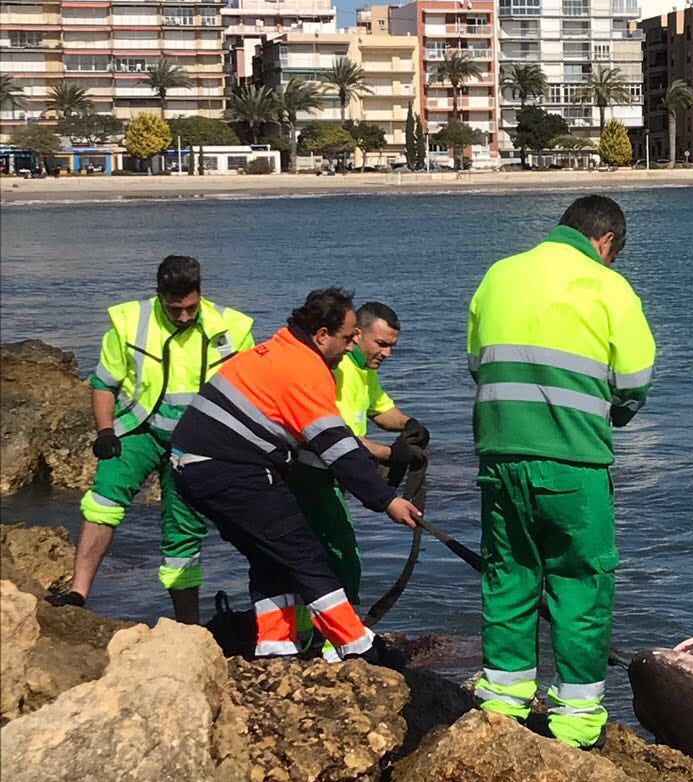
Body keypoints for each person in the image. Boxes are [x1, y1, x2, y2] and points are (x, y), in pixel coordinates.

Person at [467, 195, 656, 749]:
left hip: (499, 456)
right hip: (574, 461)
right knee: (580, 581)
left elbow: (477, 364)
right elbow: (635, 379)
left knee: (509, 573)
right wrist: (612, 415)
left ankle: (502, 702)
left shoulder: (499, 275)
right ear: (606, 242)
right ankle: (575, 721)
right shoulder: (608, 287)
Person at [170, 287, 420, 664]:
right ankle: (357, 647)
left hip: (191, 467)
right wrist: (387, 501)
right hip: (229, 468)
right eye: (349, 336)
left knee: (271, 557)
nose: (353, 346)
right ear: (321, 335)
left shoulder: (280, 350)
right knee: (306, 555)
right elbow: (335, 447)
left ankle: (275, 650)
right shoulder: (304, 370)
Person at [52, 254, 254, 622]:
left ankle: (188, 625)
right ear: (159, 294)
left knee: (184, 529)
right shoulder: (130, 322)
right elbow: (104, 384)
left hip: (198, 442)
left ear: (200, 293)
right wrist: (105, 431)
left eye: (191, 308)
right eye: (175, 309)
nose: (183, 317)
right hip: (138, 430)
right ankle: (78, 594)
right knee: (102, 502)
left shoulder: (232, 327)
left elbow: (252, 391)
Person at [289, 299, 429, 630]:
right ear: (357, 334)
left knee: (324, 555)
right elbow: (335, 436)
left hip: (334, 476)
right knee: (341, 557)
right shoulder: (336, 370)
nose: (387, 354)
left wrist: (411, 426)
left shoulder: (364, 371)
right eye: (381, 344)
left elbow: (381, 411)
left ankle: (317, 634)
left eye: (392, 346)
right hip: (310, 475)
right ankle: (334, 639)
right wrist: (389, 455)